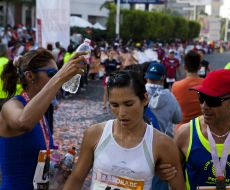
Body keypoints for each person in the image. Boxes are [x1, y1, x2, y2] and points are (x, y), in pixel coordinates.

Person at [63, 70, 185, 190]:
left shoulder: (162, 143)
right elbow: (76, 179)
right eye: (115, 105)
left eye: (128, 104)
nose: (122, 113)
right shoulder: (94, 134)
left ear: (144, 99)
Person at [0, 48, 87, 189]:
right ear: (30, 76)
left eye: (56, 73)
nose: (56, 77)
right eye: (51, 73)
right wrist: (59, 77)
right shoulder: (11, 106)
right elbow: (23, 122)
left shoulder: (40, 113)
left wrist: (56, 175)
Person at [175, 69, 230, 189]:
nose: (204, 106)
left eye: (213, 100)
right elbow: (174, 175)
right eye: (201, 97)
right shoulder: (185, 134)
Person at [144, 62, 182, 137]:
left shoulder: (137, 93)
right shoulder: (170, 96)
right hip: (164, 141)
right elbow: (178, 119)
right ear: (163, 77)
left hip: (141, 141)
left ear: (146, 77)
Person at [172, 50, 203, 129]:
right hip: (203, 128)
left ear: (185, 67)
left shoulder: (176, 86)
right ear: (200, 67)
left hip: (182, 129)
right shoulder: (208, 84)